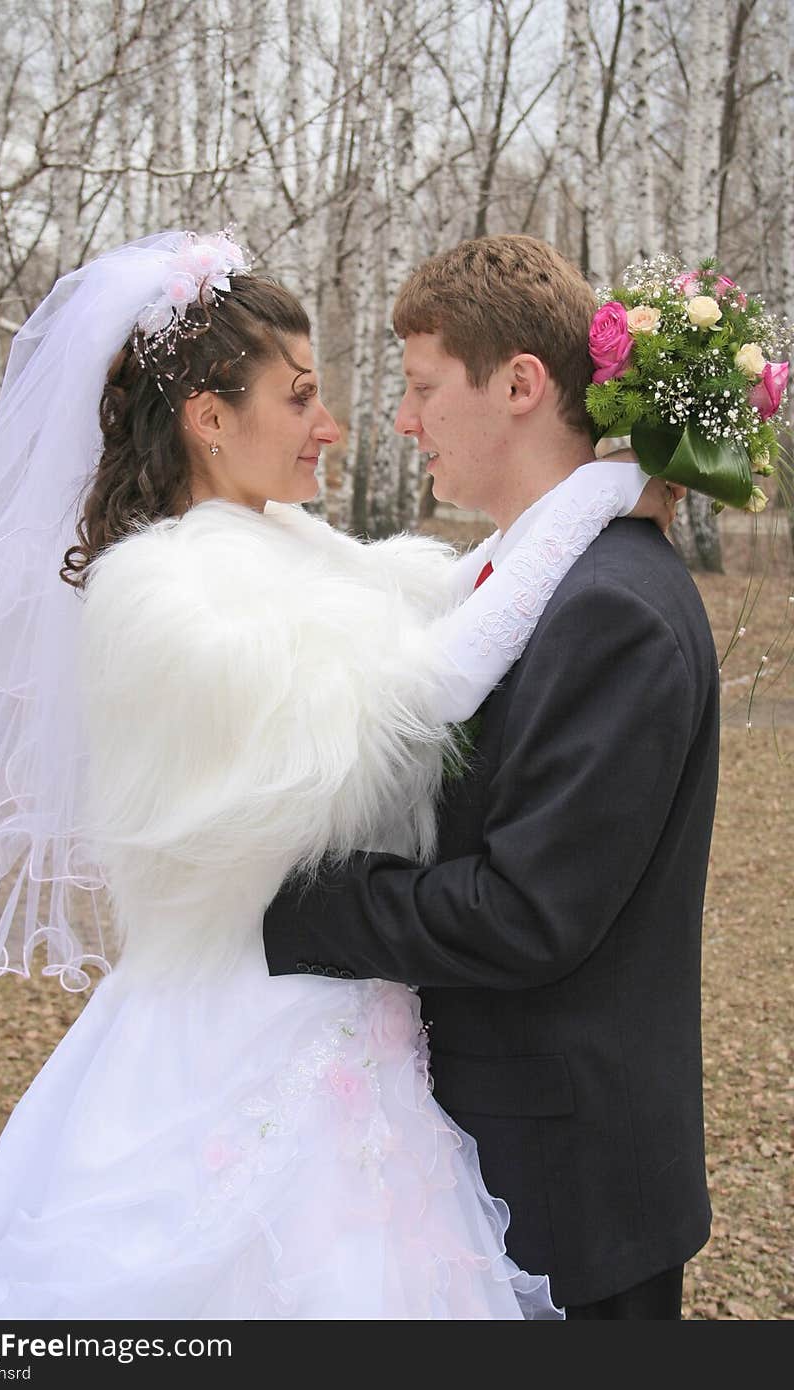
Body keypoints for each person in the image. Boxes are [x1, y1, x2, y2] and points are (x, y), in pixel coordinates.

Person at [0, 231, 671, 1321]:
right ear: (209, 418)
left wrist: (569, 508)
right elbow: (419, 688)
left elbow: (443, 595)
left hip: (340, 1018)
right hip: (240, 1033)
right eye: (301, 396)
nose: (335, 424)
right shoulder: (160, 587)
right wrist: (596, 497)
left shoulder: (284, 541)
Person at [263, 234, 719, 1321]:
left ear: (519, 384)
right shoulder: (527, 578)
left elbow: (525, 913)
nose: (403, 420)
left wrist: (291, 903)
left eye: (423, 388)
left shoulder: (609, 606)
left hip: (570, 1198)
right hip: (503, 1157)